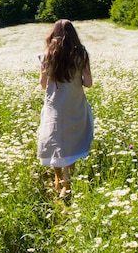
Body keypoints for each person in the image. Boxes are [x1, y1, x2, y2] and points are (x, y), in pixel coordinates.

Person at [37, 19, 94, 198]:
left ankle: (58, 178)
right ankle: (67, 182)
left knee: (53, 138)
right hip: (75, 103)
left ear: (53, 33)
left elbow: (43, 84)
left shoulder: (47, 55)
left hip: (54, 103)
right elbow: (89, 83)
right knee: (71, 139)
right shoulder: (81, 54)